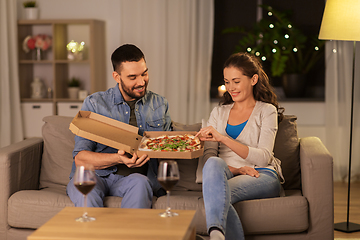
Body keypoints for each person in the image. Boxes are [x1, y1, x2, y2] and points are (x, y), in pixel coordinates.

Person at [67, 44, 171, 209]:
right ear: (117, 76)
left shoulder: (159, 104)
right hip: (95, 175)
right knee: (85, 190)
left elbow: (166, 149)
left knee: (142, 183)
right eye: (132, 77)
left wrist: (157, 152)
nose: (141, 81)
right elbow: (80, 158)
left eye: (144, 73)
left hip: (134, 179)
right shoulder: (94, 103)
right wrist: (118, 158)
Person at [196, 52, 284, 240]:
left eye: (236, 81)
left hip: (262, 173)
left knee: (214, 195)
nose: (230, 88)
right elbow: (208, 163)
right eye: (227, 82)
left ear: (253, 79)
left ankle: (215, 235)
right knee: (212, 164)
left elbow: (263, 158)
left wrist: (223, 138)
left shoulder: (267, 111)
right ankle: (217, 236)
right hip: (231, 172)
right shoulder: (218, 113)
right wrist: (237, 170)